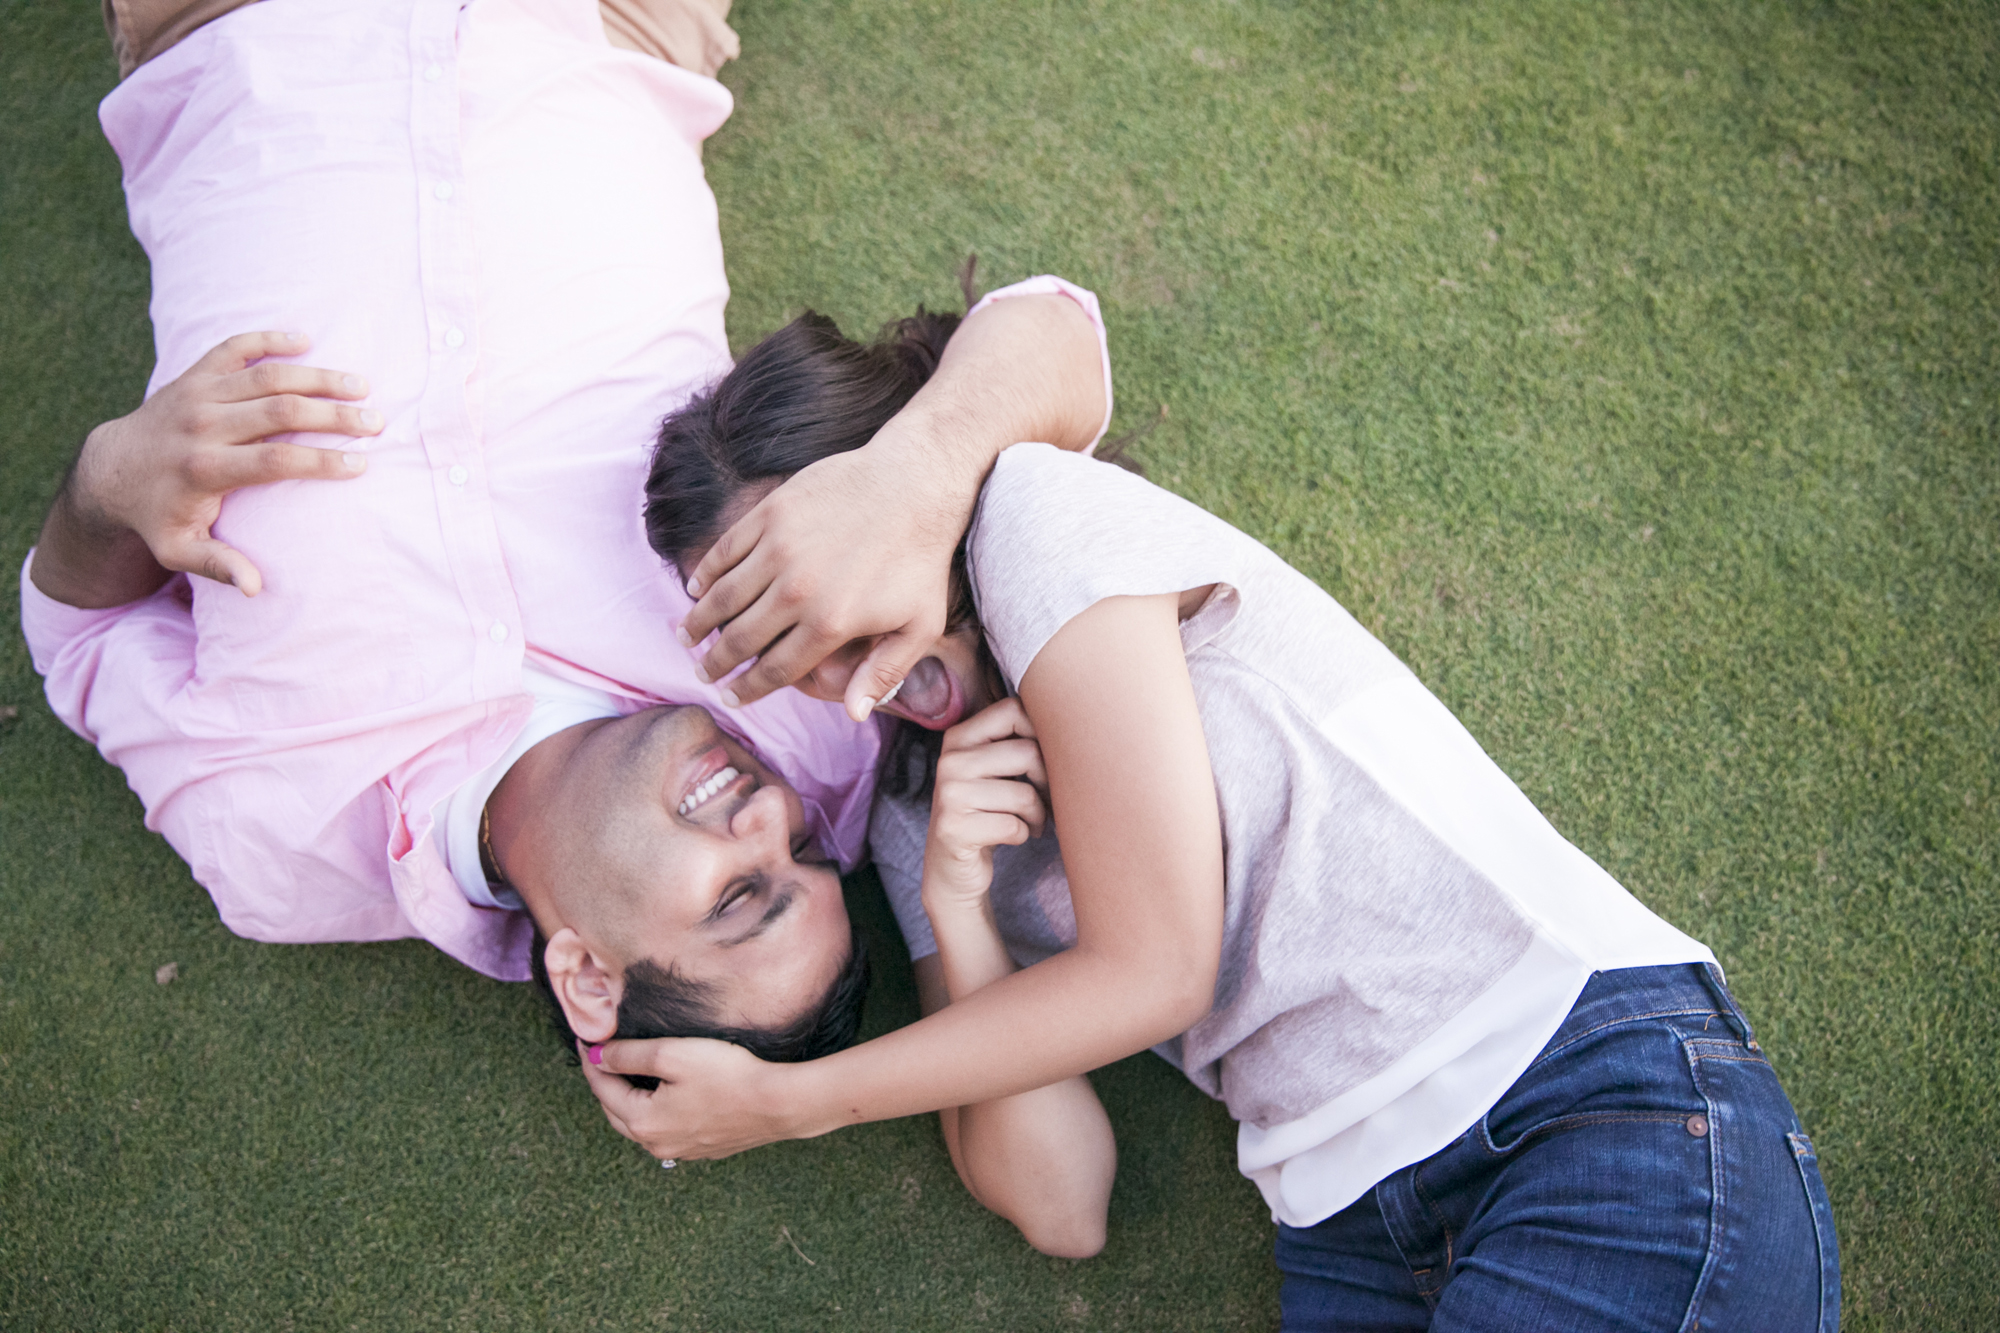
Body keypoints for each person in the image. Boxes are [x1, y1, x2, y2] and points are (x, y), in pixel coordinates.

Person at [586, 308, 1843, 1330]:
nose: (818, 663)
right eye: (762, 637)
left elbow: (1156, 968)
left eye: (801, 591)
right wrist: (958, 905)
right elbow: (1060, 1203)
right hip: (1349, 1224)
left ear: (889, 504)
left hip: (1576, 1100)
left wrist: (792, 1103)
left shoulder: (1039, 522)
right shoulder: (919, 811)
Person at [21, 0, 1111, 1055]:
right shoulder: (816, 701)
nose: (772, 818)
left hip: (236, 35)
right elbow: (1052, 336)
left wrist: (110, 481)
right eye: (806, 855)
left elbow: (72, 639)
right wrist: (918, 476)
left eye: (741, 895)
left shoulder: (273, 850)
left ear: (587, 974)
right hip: (604, 27)